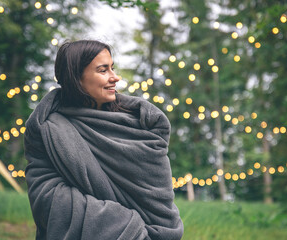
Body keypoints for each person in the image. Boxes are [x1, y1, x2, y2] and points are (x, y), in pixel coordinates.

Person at [24, 40, 184, 240]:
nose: (115, 78)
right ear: (76, 78)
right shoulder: (49, 129)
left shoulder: (142, 125)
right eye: (103, 70)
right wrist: (125, 225)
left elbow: (161, 209)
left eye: (113, 68)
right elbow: (47, 198)